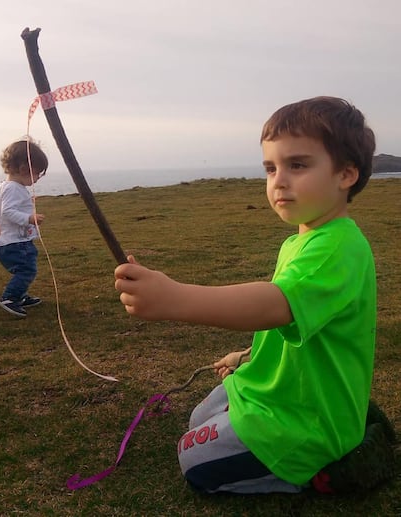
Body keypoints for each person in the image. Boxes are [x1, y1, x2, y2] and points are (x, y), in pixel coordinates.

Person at [114, 97, 395, 494]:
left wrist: (174, 298)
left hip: (308, 418)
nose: (279, 180)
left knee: (192, 460)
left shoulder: (338, 248)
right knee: (199, 418)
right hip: (282, 390)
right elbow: (296, 319)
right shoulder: (302, 241)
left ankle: (318, 471)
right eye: (271, 167)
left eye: (297, 165)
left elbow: (274, 304)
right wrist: (245, 356)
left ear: (346, 174)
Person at [0, 139, 48, 318]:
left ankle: (20, 296)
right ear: (25, 169)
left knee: (27, 268)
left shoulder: (11, 186)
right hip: (14, 244)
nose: (38, 178)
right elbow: (8, 211)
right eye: (37, 173)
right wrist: (29, 218)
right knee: (27, 270)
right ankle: (9, 298)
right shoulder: (13, 188)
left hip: (18, 242)